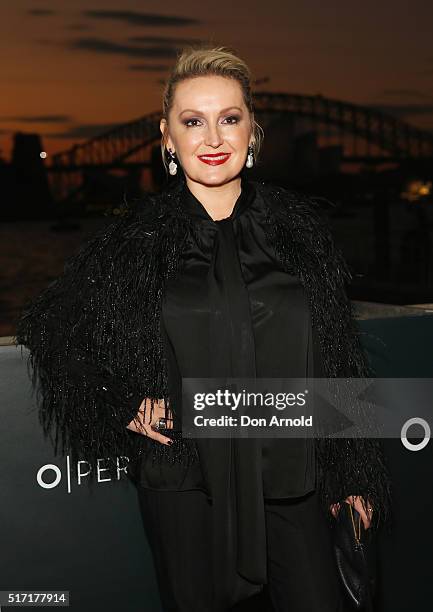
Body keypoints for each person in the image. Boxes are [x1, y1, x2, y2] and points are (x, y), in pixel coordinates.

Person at [15, 45, 392, 612]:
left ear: (252, 132)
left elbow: (337, 351)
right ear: (167, 137)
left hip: (296, 475)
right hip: (188, 480)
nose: (213, 138)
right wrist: (123, 400)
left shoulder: (297, 230)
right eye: (193, 121)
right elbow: (49, 327)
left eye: (229, 118)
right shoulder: (134, 242)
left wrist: (353, 473)